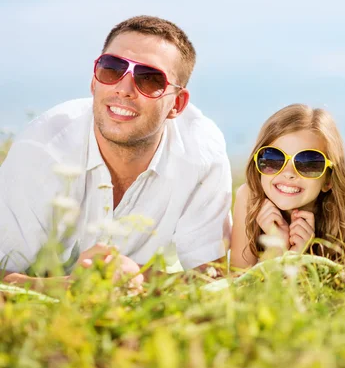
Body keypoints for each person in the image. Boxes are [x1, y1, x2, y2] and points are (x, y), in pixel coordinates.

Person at [0, 15, 232, 287]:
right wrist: (70, 287)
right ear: (93, 81)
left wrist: (138, 279)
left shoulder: (201, 155)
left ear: (177, 105)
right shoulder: (42, 149)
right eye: (111, 69)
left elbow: (210, 279)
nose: (124, 89)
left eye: (150, 79)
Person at [230, 104, 345, 269]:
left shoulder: (341, 200)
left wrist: (301, 257)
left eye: (309, 163)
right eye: (274, 158)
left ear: (329, 180)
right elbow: (238, 285)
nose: (289, 173)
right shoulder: (249, 197)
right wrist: (275, 252)